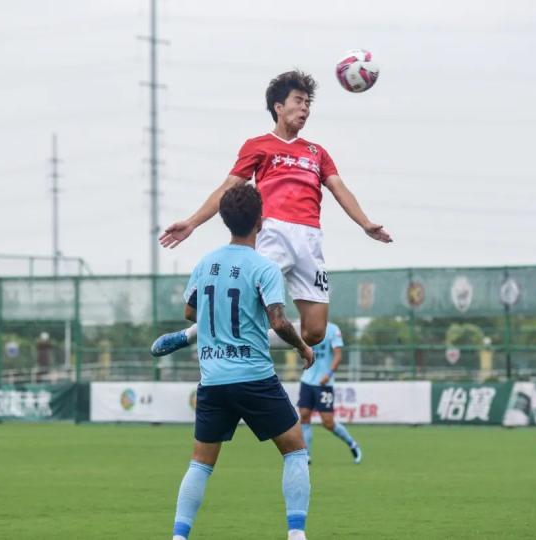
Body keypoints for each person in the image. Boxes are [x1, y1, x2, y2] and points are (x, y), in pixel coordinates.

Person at [152, 69, 392, 357]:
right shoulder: (258, 146)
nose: (305, 108)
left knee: (315, 332)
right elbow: (228, 187)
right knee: (242, 305)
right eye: (298, 101)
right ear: (279, 107)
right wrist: (192, 223)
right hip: (272, 234)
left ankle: (239, 338)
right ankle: (192, 334)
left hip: (310, 240)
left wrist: (365, 223)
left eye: (308, 103)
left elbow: (339, 188)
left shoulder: (317, 152)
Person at [171, 185, 315, 540]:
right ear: (260, 221)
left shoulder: (205, 263)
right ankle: (296, 535)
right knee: (295, 449)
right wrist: (302, 347)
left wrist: (213, 321)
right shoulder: (264, 268)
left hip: (212, 380)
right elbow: (278, 321)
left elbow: (190, 311)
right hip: (253, 376)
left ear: (224, 220)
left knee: (200, 463)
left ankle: (178, 536)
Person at [298, 322, 361, 465]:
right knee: (304, 416)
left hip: (324, 383)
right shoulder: (306, 327)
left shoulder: (333, 329)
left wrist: (329, 374)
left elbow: (338, 356)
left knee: (328, 422)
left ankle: (352, 444)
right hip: (307, 381)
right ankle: (306, 455)